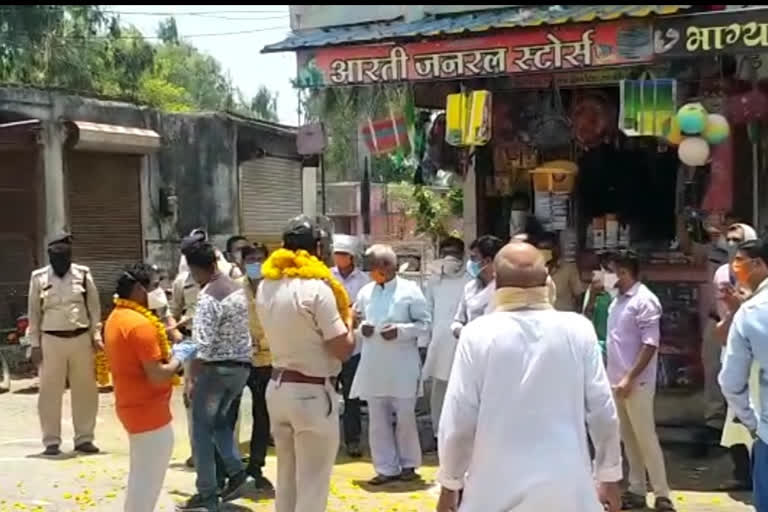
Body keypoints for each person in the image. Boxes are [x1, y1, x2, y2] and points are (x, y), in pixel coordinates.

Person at [436, 242, 621, 512]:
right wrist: (609, 478)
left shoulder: (477, 334)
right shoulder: (578, 330)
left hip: (492, 493)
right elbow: (603, 411)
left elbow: (458, 421)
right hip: (567, 492)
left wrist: (449, 485)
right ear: (547, 281)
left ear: (496, 283)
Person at [256, 215, 355, 512]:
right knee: (312, 485)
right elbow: (343, 349)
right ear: (317, 248)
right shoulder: (317, 289)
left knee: (287, 481)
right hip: (312, 392)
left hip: (278, 387)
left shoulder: (266, 285)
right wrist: (350, 321)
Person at [104, 264, 195, 512]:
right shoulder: (139, 325)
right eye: (154, 285)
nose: (160, 291)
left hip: (132, 406)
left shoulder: (117, 317)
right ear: (137, 289)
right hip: (148, 412)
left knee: (142, 477)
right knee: (146, 482)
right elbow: (157, 376)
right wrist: (180, 357)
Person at [176, 238, 252, 512]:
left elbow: (201, 346)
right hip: (240, 369)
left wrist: (191, 379)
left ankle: (207, 493)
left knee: (202, 432)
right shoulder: (236, 289)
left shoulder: (208, 297)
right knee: (220, 425)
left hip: (215, 371)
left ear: (197, 269)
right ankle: (237, 473)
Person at [351, 244, 431, 484]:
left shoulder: (410, 290)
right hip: (373, 363)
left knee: (405, 417)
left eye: (373, 269)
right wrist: (360, 330)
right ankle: (386, 468)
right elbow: (355, 320)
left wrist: (400, 331)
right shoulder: (366, 292)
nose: (370, 274)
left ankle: (408, 465)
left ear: (386, 266)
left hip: (402, 364)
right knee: (377, 419)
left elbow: (425, 324)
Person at [606, 252, 675, 511]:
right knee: (628, 438)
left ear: (625, 272)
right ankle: (636, 488)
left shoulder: (645, 301)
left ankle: (662, 493)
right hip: (616, 380)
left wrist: (629, 377)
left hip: (636, 382)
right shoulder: (617, 301)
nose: (608, 275)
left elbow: (650, 344)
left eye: (612, 270)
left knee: (645, 438)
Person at [171, 230, 243, 468]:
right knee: (196, 408)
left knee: (224, 410)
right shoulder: (182, 282)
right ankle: (202, 456)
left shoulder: (231, 275)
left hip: (222, 351)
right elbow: (173, 315)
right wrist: (177, 334)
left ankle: (225, 461)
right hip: (195, 345)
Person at [27, 231, 102, 456]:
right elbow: (34, 313)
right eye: (56, 256)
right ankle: (51, 441)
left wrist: (95, 336)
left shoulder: (83, 274)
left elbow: (94, 308)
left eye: (64, 255)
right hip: (51, 340)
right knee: (49, 393)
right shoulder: (38, 278)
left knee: (86, 391)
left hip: (80, 339)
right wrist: (35, 345)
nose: (61, 260)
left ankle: (84, 439)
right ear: (50, 256)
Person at [708, 223, 758, 490]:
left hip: (757, 353)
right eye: (728, 239)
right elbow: (719, 315)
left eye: (737, 240)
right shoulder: (721, 275)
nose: (731, 244)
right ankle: (742, 473)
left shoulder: (758, 275)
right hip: (731, 346)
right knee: (734, 416)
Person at [719, 238, 768, 510]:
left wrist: (754, 423)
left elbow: (730, 383)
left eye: (740, 262)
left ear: (759, 264)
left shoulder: (751, 312)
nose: (735, 268)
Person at [422, 236, 469, 440]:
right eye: (447, 254)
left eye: (455, 255)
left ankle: (460, 432)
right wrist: (424, 343)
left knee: (464, 389)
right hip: (440, 341)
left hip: (463, 340)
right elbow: (427, 310)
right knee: (440, 390)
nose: (451, 260)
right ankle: (437, 432)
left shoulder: (471, 280)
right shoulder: (434, 280)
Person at [237, 243, 274, 490]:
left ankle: (256, 466)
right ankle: (229, 468)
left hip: (268, 361)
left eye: (259, 259)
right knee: (230, 415)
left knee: (263, 416)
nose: (255, 263)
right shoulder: (233, 290)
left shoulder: (275, 288)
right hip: (239, 360)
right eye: (250, 259)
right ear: (241, 262)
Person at [330, 234, 370, 458]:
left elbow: (368, 310)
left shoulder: (364, 281)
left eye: (343, 254)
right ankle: (328, 439)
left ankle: (353, 440)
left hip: (354, 345)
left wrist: (355, 315)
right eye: (337, 254)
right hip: (330, 345)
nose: (339, 258)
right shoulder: (326, 277)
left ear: (352, 257)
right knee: (326, 394)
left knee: (352, 396)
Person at [451, 235, 504, 339]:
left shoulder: (502, 288)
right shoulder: (469, 287)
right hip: (470, 344)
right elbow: (458, 320)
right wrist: (459, 330)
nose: (470, 263)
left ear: (487, 261)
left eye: (474, 258)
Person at [538, 232, 584, 312]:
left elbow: (578, 295)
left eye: (547, 248)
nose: (544, 252)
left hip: (563, 317)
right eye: (541, 249)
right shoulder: (533, 270)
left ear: (556, 249)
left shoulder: (568, 268)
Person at [582, 269, 613, 360]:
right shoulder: (593, 289)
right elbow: (586, 316)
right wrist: (592, 296)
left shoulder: (620, 292)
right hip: (597, 345)